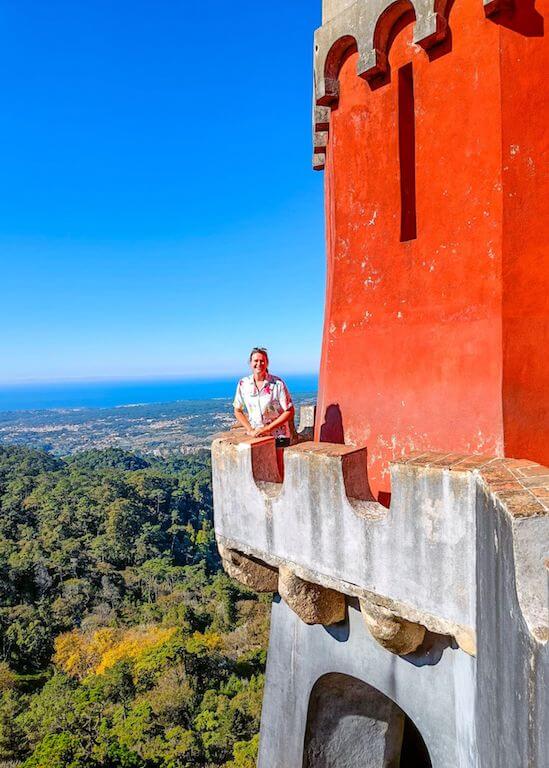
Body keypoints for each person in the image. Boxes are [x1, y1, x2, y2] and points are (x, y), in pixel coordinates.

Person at [233, 347, 295, 448]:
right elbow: (237, 410)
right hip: (256, 436)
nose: (259, 364)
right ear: (250, 363)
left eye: (262, 361)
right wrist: (250, 429)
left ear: (267, 363)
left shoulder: (277, 383)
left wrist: (267, 429)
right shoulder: (243, 384)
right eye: (256, 361)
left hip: (279, 436)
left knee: (279, 464)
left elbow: (289, 411)